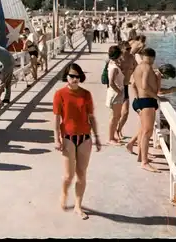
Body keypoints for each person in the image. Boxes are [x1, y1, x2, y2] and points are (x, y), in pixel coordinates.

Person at [53, 63, 101, 220]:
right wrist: (56, 139)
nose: (74, 79)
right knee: (68, 175)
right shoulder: (60, 94)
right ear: (66, 76)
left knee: (82, 174)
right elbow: (57, 118)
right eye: (72, 76)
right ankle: (64, 192)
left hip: (85, 137)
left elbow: (91, 116)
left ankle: (78, 206)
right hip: (68, 137)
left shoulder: (86, 94)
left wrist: (97, 137)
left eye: (77, 76)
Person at [126, 48, 160, 172]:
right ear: (152, 57)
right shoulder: (147, 67)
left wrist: (137, 100)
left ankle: (141, 156)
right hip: (147, 101)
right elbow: (145, 86)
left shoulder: (138, 67)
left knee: (142, 130)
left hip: (141, 100)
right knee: (147, 132)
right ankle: (145, 162)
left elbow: (134, 84)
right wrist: (156, 97)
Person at [116, 41, 138, 141]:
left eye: (130, 48)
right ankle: (115, 132)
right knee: (116, 113)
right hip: (116, 87)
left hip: (125, 86)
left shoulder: (132, 58)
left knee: (125, 113)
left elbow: (137, 69)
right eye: (128, 49)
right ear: (121, 50)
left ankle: (118, 129)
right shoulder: (117, 60)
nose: (130, 50)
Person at [105, 46, 125, 145]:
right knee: (114, 116)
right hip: (116, 94)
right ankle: (110, 138)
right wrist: (119, 91)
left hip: (116, 93)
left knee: (117, 116)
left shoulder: (112, 63)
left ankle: (112, 136)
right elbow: (111, 82)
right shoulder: (114, 68)